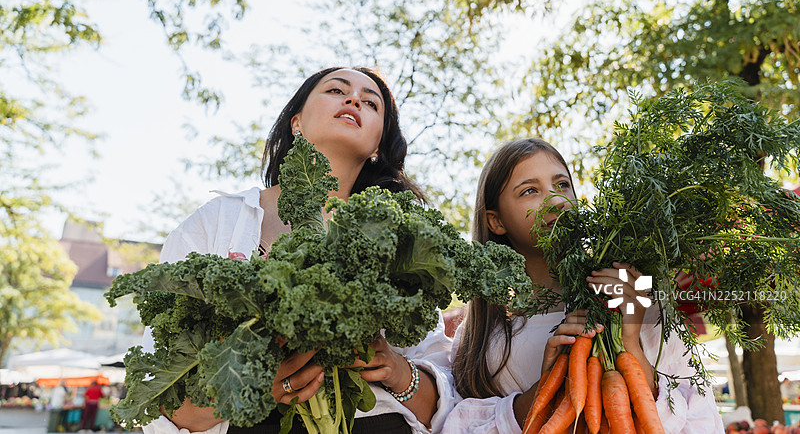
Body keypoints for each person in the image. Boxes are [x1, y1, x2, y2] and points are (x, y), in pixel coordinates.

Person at [142, 67, 455, 434]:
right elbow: (157, 396)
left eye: (371, 103)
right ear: (296, 123)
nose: (354, 100)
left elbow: (444, 407)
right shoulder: (216, 222)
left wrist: (400, 372)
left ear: (377, 147)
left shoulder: (402, 238)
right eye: (336, 90)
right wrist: (245, 388)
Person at [443, 138, 724, 433]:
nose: (555, 200)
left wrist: (631, 343)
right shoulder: (480, 333)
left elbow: (702, 419)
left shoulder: (637, 299)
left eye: (562, 184)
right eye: (530, 190)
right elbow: (462, 424)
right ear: (495, 221)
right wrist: (546, 388)